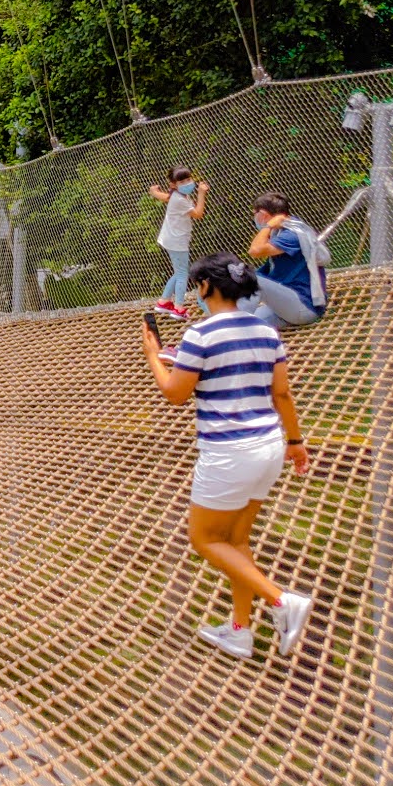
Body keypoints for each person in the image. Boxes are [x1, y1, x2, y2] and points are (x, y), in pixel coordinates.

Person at [140, 252, 317, 660]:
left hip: (228, 452)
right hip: (269, 446)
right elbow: (282, 393)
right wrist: (295, 441)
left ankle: (280, 601)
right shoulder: (266, 332)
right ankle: (239, 631)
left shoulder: (200, 335)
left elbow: (175, 394)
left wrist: (153, 356)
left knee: (204, 539)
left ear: (205, 287)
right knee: (237, 540)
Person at [244, 191, 329, 329]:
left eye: (255, 213)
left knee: (248, 276)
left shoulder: (292, 234)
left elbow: (255, 250)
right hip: (285, 308)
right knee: (242, 326)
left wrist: (268, 226)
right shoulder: (280, 232)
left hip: (304, 306)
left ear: (263, 214)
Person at [148, 167, 208, 320]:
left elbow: (165, 197)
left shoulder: (178, 194)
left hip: (171, 238)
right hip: (177, 241)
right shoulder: (180, 199)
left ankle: (164, 302)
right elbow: (198, 214)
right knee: (182, 274)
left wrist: (154, 192)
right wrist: (201, 193)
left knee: (178, 271)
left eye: (188, 179)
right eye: (182, 181)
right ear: (174, 184)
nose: (187, 183)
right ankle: (179, 308)